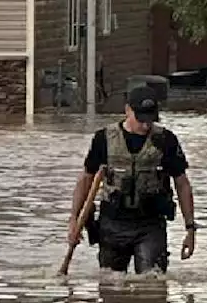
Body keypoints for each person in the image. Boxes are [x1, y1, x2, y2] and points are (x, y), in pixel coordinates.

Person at [67, 85, 197, 275]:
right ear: (127, 110)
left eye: (150, 119)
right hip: (112, 225)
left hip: (150, 225)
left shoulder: (166, 140)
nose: (146, 125)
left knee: (152, 287)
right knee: (110, 289)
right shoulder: (104, 139)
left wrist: (190, 228)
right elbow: (86, 179)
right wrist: (74, 219)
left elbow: (182, 184)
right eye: (141, 119)